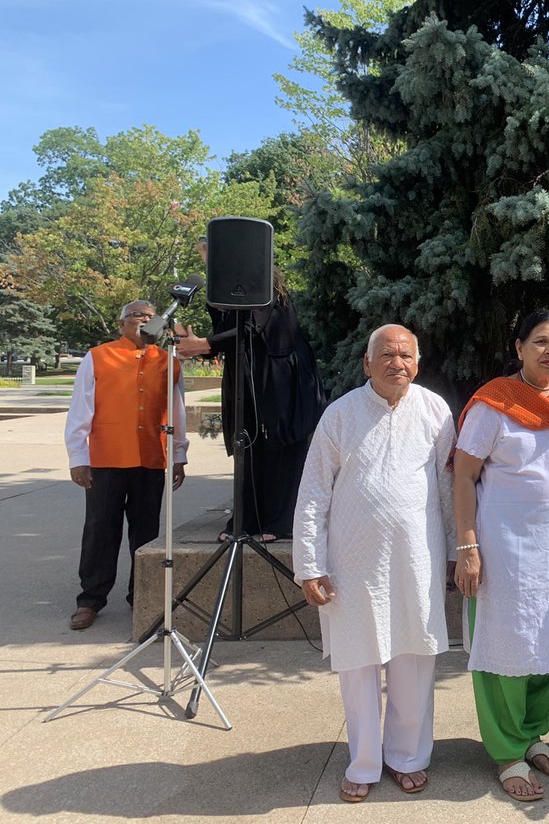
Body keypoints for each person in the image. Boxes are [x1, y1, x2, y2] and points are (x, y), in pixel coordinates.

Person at [292, 324, 456, 803]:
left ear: (418, 364)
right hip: (352, 565)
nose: (396, 363)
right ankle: (363, 762)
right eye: (385, 354)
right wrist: (309, 563)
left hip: (416, 562)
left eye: (405, 355)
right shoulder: (340, 415)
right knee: (358, 663)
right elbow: (314, 493)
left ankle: (408, 758)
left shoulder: (435, 411)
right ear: (367, 363)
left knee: (414, 660)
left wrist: (454, 553)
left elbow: (450, 490)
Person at [453, 310, 549, 803]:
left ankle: (533, 733)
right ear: (518, 349)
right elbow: (464, 476)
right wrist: (467, 547)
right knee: (505, 646)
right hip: (505, 550)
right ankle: (506, 749)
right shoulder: (494, 404)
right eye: (539, 342)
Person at [177, 238, 325, 541]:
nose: (209, 263)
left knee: (279, 449)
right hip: (247, 377)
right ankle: (247, 521)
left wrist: (205, 345)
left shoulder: (265, 287)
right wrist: (198, 346)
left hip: (280, 380)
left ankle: (279, 523)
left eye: (213, 256)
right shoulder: (226, 293)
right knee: (249, 445)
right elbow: (226, 334)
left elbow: (251, 330)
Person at [64, 300, 188, 631]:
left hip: (150, 458)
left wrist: (178, 456)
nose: (144, 320)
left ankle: (142, 596)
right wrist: (78, 458)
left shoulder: (168, 361)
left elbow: (178, 413)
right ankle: (90, 599)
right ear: (121, 324)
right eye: (137, 315)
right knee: (100, 530)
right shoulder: (98, 356)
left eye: (150, 317)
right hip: (106, 459)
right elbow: (80, 410)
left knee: (145, 532)